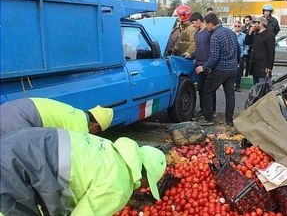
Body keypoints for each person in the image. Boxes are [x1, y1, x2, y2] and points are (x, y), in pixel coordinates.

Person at [0, 127, 166, 215]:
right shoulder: (120, 184)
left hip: (17, 144)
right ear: (144, 174)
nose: (144, 187)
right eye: (147, 183)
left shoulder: (108, 147)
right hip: (16, 170)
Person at [195, 13, 240, 126]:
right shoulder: (231, 32)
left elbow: (214, 57)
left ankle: (208, 118)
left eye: (206, 24)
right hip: (233, 69)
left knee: (208, 90)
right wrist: (237, 62)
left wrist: (204, 68)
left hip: (220, 69)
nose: (206, 26)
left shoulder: (215, 36)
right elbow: (238, 50)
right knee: (230, 95)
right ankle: (229, 120)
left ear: (210, 24)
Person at [0, 98, 113, 135]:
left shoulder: (76, 113)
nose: (94, 133)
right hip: (18, 120)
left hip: (12, 107)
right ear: (95, 125)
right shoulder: (80, 128)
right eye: (97, 131)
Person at [189, 12, 216, 118]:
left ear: (199, 21)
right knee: (200, 89)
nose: (193, 25)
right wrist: (191, 55)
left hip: (208, 65)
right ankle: (203, 109)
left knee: (210, 90)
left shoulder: (209, 32)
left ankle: (211, 110)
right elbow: (198, 49)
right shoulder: (196, 33)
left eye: (193, 22)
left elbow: (213, 50)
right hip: (198, 65)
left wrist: (210, 64)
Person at [244, 17, 275, 84]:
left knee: (262, 88)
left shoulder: (269, 35)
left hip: (263, 67)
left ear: (261, 23)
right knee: (256, 88)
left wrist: (269, 66)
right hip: (255, 66)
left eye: (255, 23)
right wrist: (250, 32)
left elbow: (271, 52)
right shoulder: (256, 34)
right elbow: (247, 42)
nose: (254, 25)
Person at [233, 21, 247, 92]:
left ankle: (237, 86)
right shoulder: (231, 34)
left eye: (238, 26)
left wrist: (244, 53)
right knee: (232, 71)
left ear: (241, 27)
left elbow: (246, 45)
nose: (237, 27)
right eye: (235, 26)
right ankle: (231, 86)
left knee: (239, 72)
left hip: (240, 56)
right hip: (232, 56)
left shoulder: (244, 36)